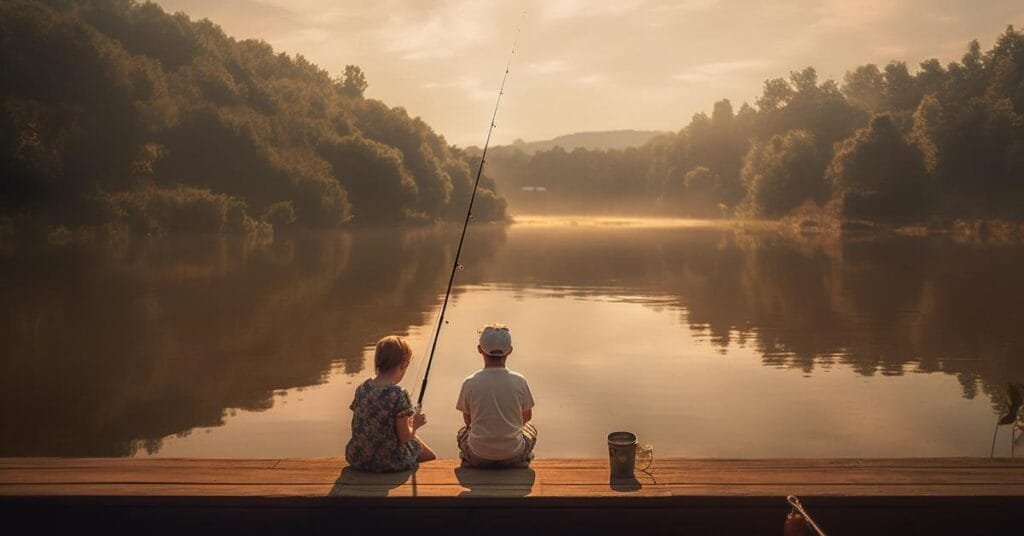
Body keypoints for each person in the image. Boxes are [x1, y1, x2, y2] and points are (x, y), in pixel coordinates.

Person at [345, 335, 436, 472]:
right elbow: (405, 437)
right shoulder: (399, 394)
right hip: (388, 462)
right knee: (430, 456)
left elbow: (365, 420)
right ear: (403, 364)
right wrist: (415, 424)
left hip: (357, 458)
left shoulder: (363, 387)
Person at [456, 323, 537, 468]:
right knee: (531, 429)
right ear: (510, 351)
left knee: (462, 433)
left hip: (479, 454)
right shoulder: (519, 380)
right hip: (513, 453)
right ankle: (519, 458)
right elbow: (527, 417)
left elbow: (468, 421)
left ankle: (471, 459)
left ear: (479, 349)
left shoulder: (469, 382)